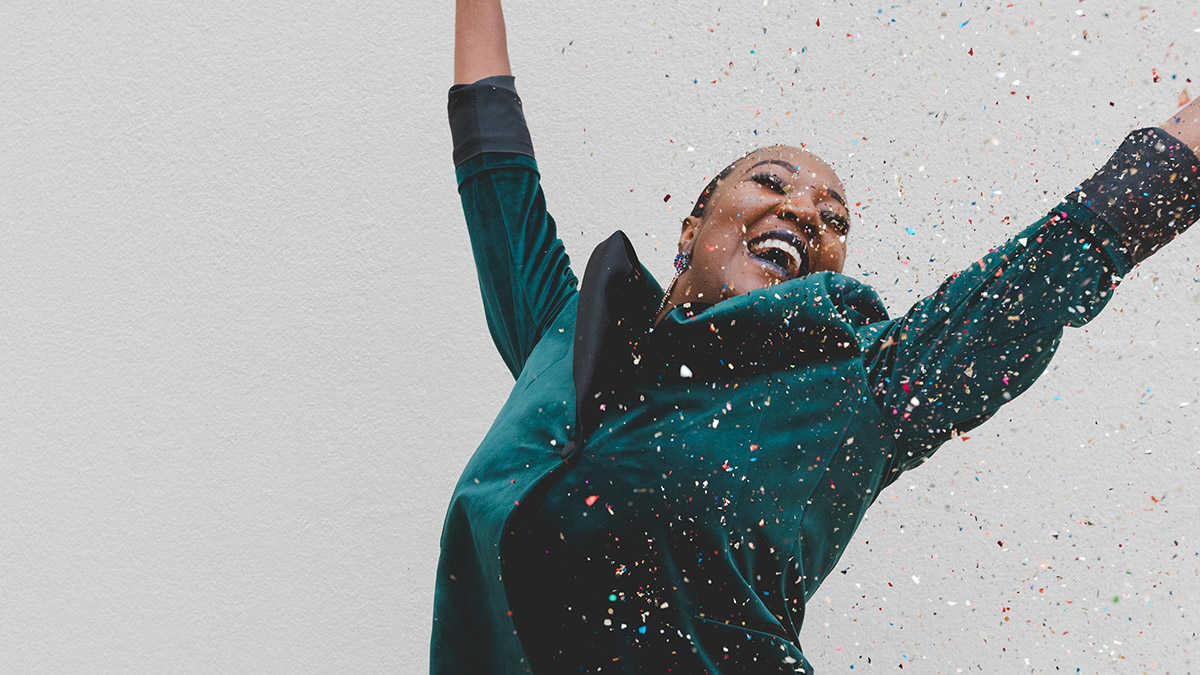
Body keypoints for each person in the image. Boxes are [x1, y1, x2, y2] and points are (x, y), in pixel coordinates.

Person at [432, 1, 1200, 672]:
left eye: (834, 219)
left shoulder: (856, 391)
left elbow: (1029, 285)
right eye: (771, 182)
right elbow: (495, 155)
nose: (805, 211)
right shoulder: (563, 337)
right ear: (692, 227)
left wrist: (1181, 150)